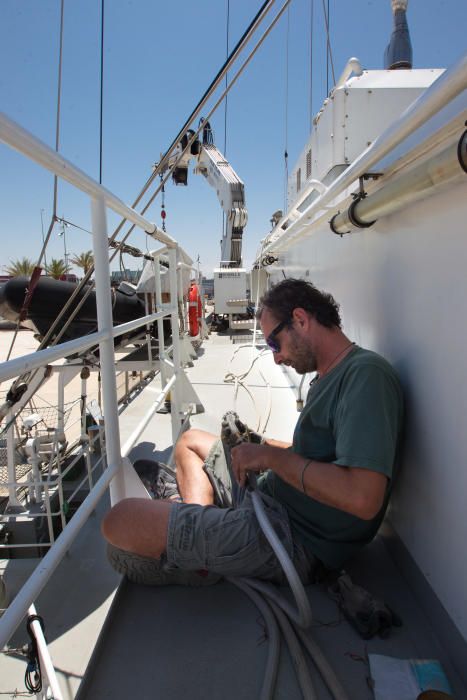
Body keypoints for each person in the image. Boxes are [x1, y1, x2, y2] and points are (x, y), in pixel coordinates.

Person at [102, 278, 403, 586]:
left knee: (119, 522)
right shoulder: (331, 374)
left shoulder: (366, 376)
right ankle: (202, 532)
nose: (276, 357)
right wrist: (258, 445)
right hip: (277, 497)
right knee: (190, 441)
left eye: (274, 343)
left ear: (300, 320)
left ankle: (199, 533)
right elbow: (318, 454)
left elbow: (363, 498)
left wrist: (271, 458)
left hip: (292, 535)